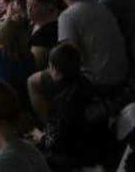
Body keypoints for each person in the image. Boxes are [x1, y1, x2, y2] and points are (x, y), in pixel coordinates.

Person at [39, 42, 111, 170]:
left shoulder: (66, 99)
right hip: (102, 143)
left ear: (54, 70)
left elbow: (58, 140)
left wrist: (42, 138)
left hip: (82, 156)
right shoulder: (87, 83)